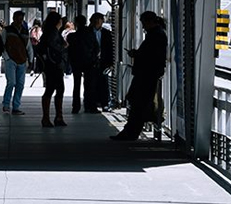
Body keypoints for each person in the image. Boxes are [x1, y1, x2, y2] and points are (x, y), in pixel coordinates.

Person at [111, 11, 167, 141]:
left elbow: (149, 56)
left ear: (149, 22)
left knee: (139, 104)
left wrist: (136, 54)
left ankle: (131, 132)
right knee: (139, 104)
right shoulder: (157, 35)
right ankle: (130, 131)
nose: (143, 27)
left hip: (146, 75)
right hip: (148, 74)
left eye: (143, 23)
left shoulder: (156, 36)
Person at [39, 12, 68, 127]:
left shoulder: (47, 32)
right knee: (57, 89)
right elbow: (55, 47)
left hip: (49, 65)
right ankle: (56, 117)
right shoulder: (54, 33)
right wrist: (64, 46)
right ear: (57, 21)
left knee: (51, 89)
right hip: (55, 65)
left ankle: (50, 117)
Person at [1, 11, 32, 115]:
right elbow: (2, 44)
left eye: (21, 19)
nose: (20, 21)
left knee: (20, 84)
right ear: (14, 18)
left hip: (22, 61)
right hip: (11, 60)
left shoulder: (25, 31)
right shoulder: (7, 30)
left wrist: (30, 59)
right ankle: (6, 105)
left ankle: (16, 106)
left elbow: (28, 46)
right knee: (11, 83)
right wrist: (7, 57)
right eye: (18, 19)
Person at [67, 15, 99, 114]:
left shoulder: (72, 36)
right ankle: (89, 106)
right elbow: (97, 48)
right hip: (89, 62)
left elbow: (69, 50)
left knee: (77, 85)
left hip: (76, 63)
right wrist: (93, 58)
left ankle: (76, 107)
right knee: (89, 85)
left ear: (76, 23)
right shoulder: (90, 34)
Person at [86, 12, 115, 113]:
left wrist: (111, 63)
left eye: (100, 20)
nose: (99, 22)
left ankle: (105, 104)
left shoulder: (106, 33)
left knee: (104, 84)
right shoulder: (88, 32)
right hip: (91, 62)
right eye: (97, 20)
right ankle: (91, 105)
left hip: (103, 62)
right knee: (91, 84)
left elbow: (110, 49)